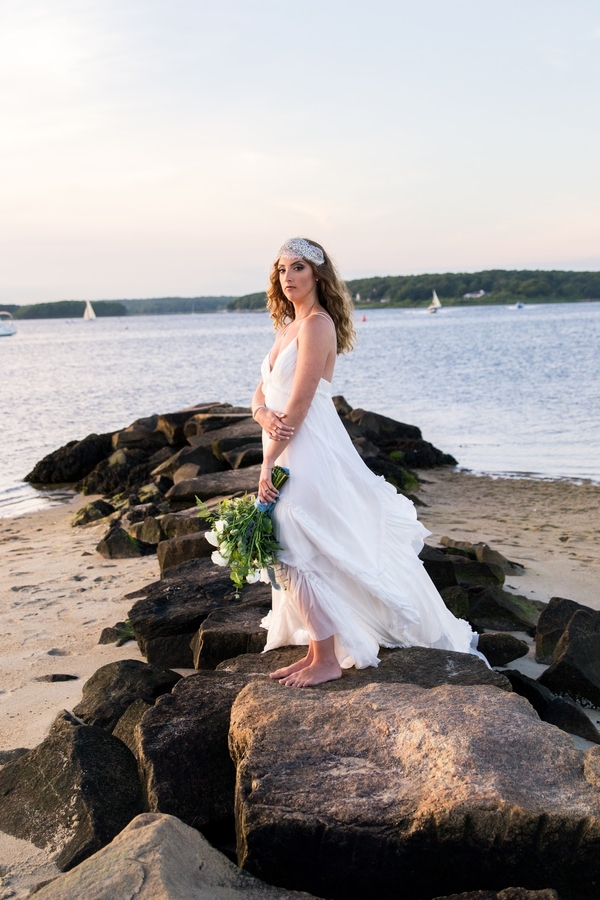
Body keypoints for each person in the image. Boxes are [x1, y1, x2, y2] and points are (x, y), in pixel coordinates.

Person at [251, 237, 483, 687]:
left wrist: (267, 465)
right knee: (293, 541)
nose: (288, 277)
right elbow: (261, 394)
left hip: (309, 447)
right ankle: (321, 650)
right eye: (282, 270)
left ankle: (326, 659)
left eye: (298, 268)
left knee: (297, 534)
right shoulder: (285, 330)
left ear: (317, 275)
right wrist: (261, 414)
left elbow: (298, 404)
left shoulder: (317, 324)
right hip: (283, 444)